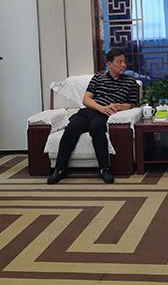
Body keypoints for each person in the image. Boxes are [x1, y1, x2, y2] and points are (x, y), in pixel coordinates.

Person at [47, 48, 138, 185]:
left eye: (124, 61)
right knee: (71, 128)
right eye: (119, 62)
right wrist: (101, 108)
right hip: (90, 110)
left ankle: (104, 169)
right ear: (109, 64)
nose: (123, 65)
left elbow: (131, 104)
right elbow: (86, 99)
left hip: (107, 114)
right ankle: (59, 169)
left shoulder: (130, 82)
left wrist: (118, 106)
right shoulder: (98, 78)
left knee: (96, 127)